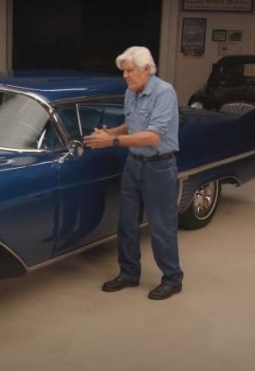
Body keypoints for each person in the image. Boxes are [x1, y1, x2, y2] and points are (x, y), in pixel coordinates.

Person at [83, 46, 183, 300]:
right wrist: (113, 132)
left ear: (147, 70)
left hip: (159, 166)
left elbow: (152, 136)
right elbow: (135, 124)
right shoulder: (131, 92)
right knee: (127, 222)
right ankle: (129, 273)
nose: (126, 76)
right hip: (134, 164)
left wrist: (111, 143)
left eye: (130, 71)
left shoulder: (164, 92)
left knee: (162, 226)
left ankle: (172, 278)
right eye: (124, 72)